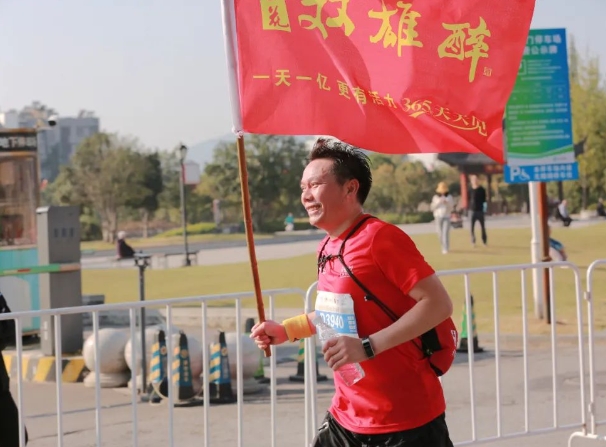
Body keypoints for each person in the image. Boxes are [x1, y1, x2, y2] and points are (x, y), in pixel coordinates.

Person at [250, 138, 455, 447]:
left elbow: (438, 304)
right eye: (303, 187)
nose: (305, 195)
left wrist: (367, 347)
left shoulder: (380, 238)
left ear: (350, 188)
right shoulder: (327, 246)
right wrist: (286, 330)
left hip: (405, 420)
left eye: (315, 185)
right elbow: (336, 313)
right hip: (347, 415)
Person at [430, 182, 455, 254]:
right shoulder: (435, 198)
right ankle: (442, 246)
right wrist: (439, 202)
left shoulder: (449, 197)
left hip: (447, 217)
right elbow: (432, 208)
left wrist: (447, 203)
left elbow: (451, 207)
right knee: (440, 233)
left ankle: (445, 248)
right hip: (438, 217)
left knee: (445, 233)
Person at [468, 174, 487, 246]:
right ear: (471, 181)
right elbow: (468, 199)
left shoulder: (482, 190)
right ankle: (473, 241)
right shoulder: (470, 190)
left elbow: (484, 200)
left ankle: (484, 240)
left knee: (482, 227)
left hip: (480, 210)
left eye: (476, 179)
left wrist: (484, 209)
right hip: (472, 210)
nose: (475, 181)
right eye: (473, 180)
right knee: (472, 227)